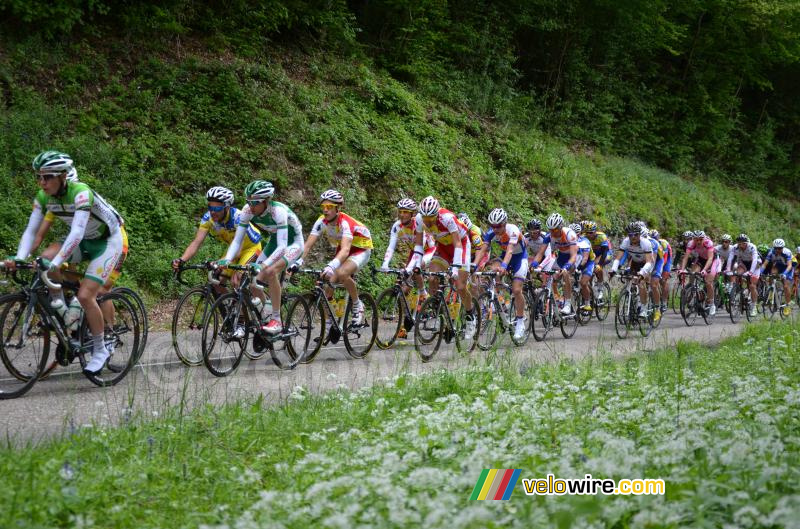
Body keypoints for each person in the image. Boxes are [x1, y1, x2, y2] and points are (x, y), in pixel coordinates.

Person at [5, 151, 126, 375]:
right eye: (39, 177)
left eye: (48, 177)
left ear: (62, 176)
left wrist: (57, 264)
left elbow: (77, 233)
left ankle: (100, 349)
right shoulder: (43, 197)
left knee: (85, 295)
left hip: (108, 241)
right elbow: (32, 231)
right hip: (84, 240)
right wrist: (19, 258)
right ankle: (63, 310)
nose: (42, 182)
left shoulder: (81, 192)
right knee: (45, 257)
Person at [221, 181, 303, 334]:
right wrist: (227, 259)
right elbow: (237, 240)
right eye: (248, 201)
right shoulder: (247, 210)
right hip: (274, 241)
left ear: (266, 201)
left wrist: (263, 265)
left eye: (254, 203)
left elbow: (282, 247)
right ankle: (266, 316)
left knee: (270, 271)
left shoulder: (278, 211)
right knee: (252, 280)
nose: (250, 206)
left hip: (293, 243)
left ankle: (277, 320)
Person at [407, 196, 477, 339]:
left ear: (437, 214)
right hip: (443, 248)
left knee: (461, 286)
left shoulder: (447, 218)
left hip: (461, 247)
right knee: (432, 278)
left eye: (431, 218)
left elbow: (458, 243)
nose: (428, 221)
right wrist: (417, 263)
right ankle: (439, 310)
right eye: (425, 217)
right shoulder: (420, 219)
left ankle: (471, 316)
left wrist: (456, 268)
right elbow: (419, 245)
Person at [301, 189, 373, 325]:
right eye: (323, 207)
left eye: (329, 207)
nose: (325, 210)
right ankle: (330, 324)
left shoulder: (345, 222)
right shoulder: (321, 221)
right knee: (327, 288)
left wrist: (331, 265)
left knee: (341, 272)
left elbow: (346, 250)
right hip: (344, 247)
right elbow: (308, 245)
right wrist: (298, 261)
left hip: (360, 248)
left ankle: (358, 305)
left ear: (338, 209)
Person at [172, 186, 262, 295]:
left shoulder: (238, 218)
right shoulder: (208, 218)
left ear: (227, 207)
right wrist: (181, 260)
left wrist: (219, 262)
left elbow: (238, 251)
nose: (213, 212)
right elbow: (196, 242)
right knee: (216, 279)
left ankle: (247, 310)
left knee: (237, 280)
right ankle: (229, 307)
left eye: (217, 209)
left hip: (251, 248)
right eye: (210, 208)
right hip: (233, 250)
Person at [474, 208, 528, 340]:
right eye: (493, 226)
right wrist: (474, 265)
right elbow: (483, 249)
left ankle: (520, 321)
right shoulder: (491, 232)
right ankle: (501, 303)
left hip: (519, 259)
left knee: (516, 290)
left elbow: (510, 251)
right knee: (492, 272)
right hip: (505, 257)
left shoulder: (513, 230)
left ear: (504, 224)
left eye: (498, 226)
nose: (496, 229)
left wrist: (504, 266)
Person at [380, 198, 436, 306]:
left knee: (415, 269)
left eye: (405, 212)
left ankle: (423, 293)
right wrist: (385, 264)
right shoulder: (397, 226)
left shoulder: (418, 224)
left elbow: (419, 249)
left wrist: (408, 269)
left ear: (412, 214)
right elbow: (391, 247)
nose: (402, 215)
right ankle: (407, 315)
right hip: (414, 252)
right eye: (400, 211)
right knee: (403, 287)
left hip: (428, 251)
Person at [530, 213, 578, 315]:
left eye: (555, 230)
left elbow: (574, 256)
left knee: (565, 274)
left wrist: (566, 267)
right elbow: (541, 253)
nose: (553, 232)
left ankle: (568, 304)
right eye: (550, 230)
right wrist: (534, 264)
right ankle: (556, 299)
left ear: (561, 227)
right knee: (551, 277)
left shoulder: (570, 234)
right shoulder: (549, 236)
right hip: (561, 257)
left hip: (573, 257)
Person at [610, 223, 657, 318]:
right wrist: (613, 269)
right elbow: (618, 258)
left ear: (639, 234)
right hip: (635, 262)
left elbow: (649, 261)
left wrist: (642, 272)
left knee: (641, 283)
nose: (633, 237)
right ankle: (633, 298)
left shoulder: (646, 243)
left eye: (635, 234)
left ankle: (643, 308)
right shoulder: (626, 242)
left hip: (647, 264)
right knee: (630, 279)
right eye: (630, 235)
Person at [678, 230, 720, 316]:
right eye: (696, 239)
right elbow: (686, 257)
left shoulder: (708, 243)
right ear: (693, 239)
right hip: (701, 259)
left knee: (708, 282)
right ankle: (694, 289)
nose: (698, 242)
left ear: (703, 239)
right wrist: (682, 269)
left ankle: (712, 304)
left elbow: (710, 259)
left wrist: (704, 270)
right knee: (693, 273)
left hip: (712, 260)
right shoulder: (691, 243)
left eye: (700, 239)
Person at [727, 234, 761, 317]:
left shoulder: (752, 247)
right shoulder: (735, 247)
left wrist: (751, 272)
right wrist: (728, 269)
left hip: (755, 264)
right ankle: (739, 289)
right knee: (738, 273)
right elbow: (730, 258)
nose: (741, 245)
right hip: (744, 263)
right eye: (739, 243)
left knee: (752, 286)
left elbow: (755, 260)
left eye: (743, 243)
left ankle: (754, 306)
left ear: (747, 243)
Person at [760, 238, 794, 317]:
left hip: (788, 267)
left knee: (786, 285)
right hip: (779, 265)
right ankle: (772, 290)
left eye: (780, 248)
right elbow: (765, 264)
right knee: (772, 274)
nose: (778, 250)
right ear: (773, 248)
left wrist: (785, 273)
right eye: (776, 248)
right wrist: (760, 272)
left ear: (783, 248)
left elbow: (789, 265)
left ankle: (788, 305)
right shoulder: (771, 252)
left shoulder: (787, 252)